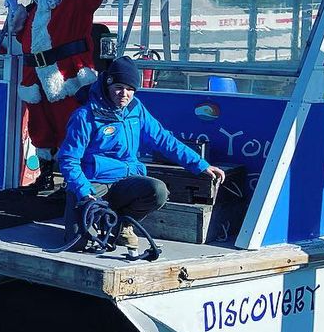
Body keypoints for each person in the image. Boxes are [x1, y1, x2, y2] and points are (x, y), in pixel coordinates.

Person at [57, 57, 226, 252]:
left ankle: (123, 225)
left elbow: (164, 140)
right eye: (119, 87)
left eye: (130, 89)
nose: (124, 94)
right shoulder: (84, 116)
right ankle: (90, 215)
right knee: (77, 244)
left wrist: (201, 165)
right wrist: (84, 192)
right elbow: (68, 160)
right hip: (92, 183)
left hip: (125, 179)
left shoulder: (136, 109)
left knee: (158, 191)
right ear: (108, 83)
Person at [5, 0, 111, 186]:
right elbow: (27, 41)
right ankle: (46, 176)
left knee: (70, 128)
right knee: (40, 130)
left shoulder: (76, 1)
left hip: (68, 79)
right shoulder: (33, 11)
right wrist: (16, 20)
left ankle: (74, 180)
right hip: (35, 80)